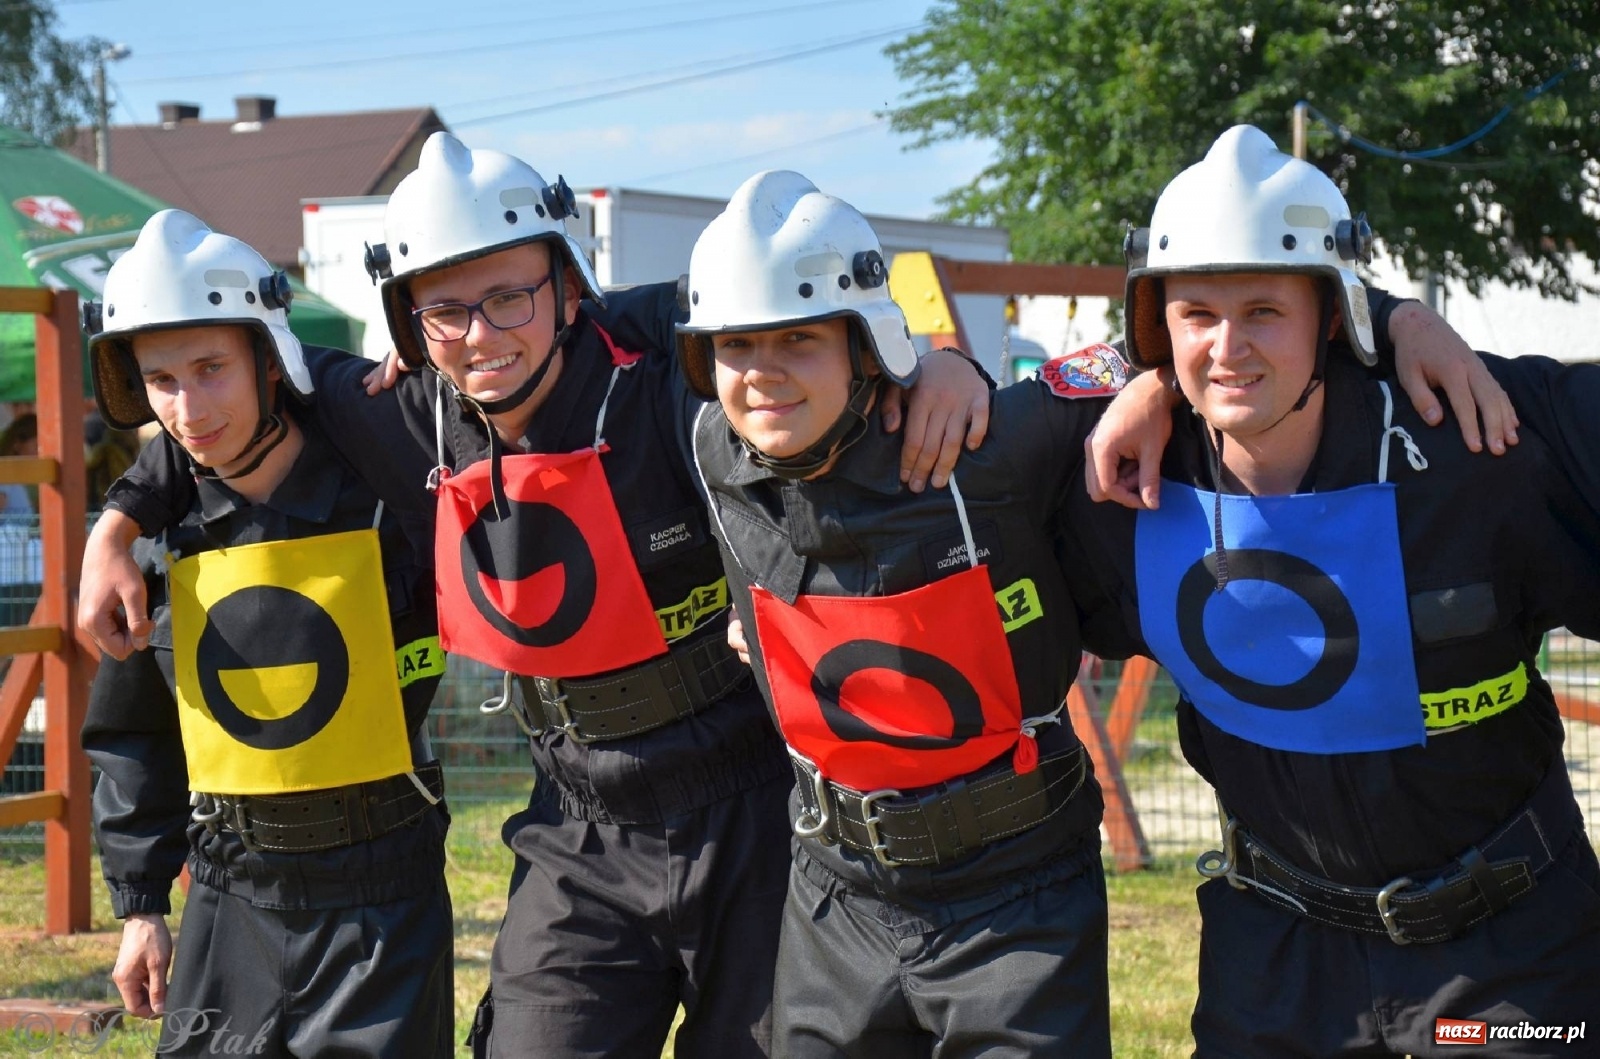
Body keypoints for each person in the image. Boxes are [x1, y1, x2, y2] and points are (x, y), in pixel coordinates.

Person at [81, 133, 990, 1059]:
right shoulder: (393, 412)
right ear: (408, 323)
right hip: (577, 819)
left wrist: (944, 363)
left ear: (565, 284)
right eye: (444, 311)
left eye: (509, 295)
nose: (481, 336)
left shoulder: (658, 359)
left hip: (749, 802)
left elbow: (807, 315)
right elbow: (213, 406)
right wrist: (117, 521)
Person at [664, 168, 1511, 1058]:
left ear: (865, 341)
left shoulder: (990, 443)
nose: (761, 374)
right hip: (830, 895)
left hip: (1015, 903)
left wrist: (1395, 315)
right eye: (735, 346)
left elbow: (1202, 342)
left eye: (797, 339)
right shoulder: (706, 444)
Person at [1072, 125, 1600, 1057]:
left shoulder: (1480, 432)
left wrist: (1399, 316)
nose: (1227, 348)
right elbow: (960, 424)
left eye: (1265, 310)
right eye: (1195, 315)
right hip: (1273, 961)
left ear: (1333, 317)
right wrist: (1121, 375)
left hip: (1509, 957)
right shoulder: (1122, 476)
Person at [78, 209, 453, 1056]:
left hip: (382, 890)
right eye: (161, 379)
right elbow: (132, 727)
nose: (187, 407)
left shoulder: (389, 486)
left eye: (212, 368)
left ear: (270, 359)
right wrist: (140, 905)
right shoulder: (166, 535)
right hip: (228, 886)